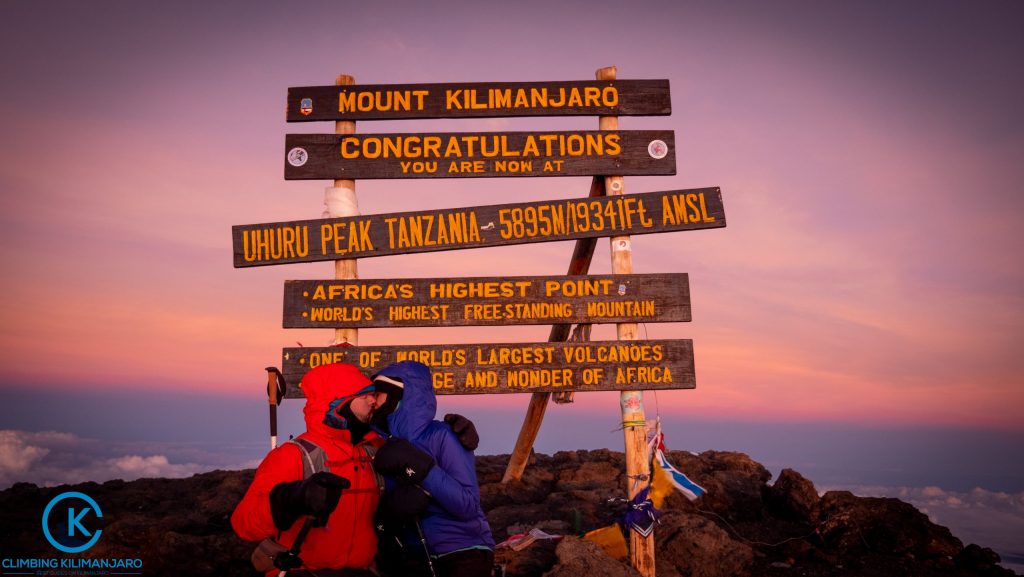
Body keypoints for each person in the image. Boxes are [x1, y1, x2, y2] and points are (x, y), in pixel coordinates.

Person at [231, 362, 382, 576]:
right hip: (302, 571)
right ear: (340, 402)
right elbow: (244, 524)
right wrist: (290, 499)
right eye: (365, 396)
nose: (373, 401)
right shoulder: (294, 455)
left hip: (360, 571)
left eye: (373, 395)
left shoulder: (371, 452)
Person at [369, 360, 495, 577]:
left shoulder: (442, 435)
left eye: (378, 395)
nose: (373, 401)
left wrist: (423, 470)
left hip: (463, 551)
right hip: (414, 556)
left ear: (399, 396)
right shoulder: (382, 447)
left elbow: (467, 505)